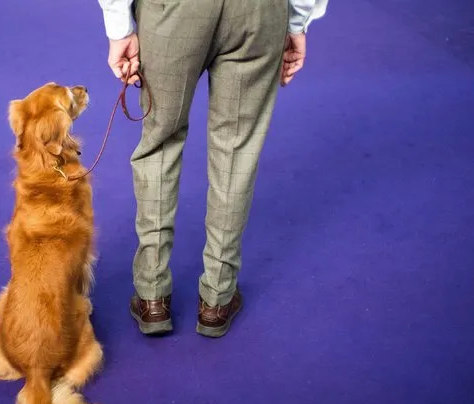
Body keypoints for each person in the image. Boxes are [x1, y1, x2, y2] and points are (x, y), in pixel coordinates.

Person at [97, 0, 328, 337]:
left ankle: (152, 296)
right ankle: (217, 298)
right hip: (259, 12)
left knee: (160, 142)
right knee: (237, 149)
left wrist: (118, 26)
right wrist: (297, 21)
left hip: (173, 12)